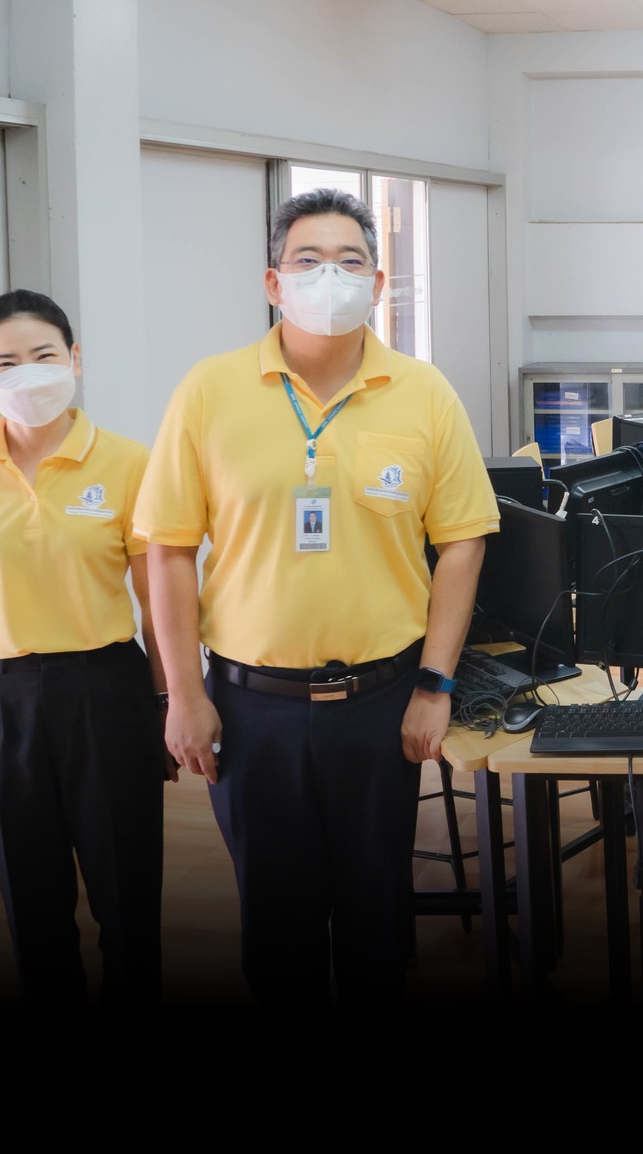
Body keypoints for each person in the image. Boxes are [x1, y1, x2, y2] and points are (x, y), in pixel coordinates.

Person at [134, 187, 497, 1006]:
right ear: (272, 281)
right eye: (307, 260)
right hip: (250, 704)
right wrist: (182, 693)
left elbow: (463, 543)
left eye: (349, 261)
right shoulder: (209, 390)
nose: (328, 276)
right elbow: (169, 551)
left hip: (381, 700)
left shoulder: (423, 392)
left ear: (376, 284)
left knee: (376, 925)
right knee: (276, 930)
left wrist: (435, 686)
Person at [0, 290, 169, 1007]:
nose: (28, 374)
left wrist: (171, 699)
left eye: (44, 356)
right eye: (7, 362)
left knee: (128, 902)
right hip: (2, 698)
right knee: (33, 907)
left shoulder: (128, 462)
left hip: (107, 688)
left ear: (75, 361)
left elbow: (159, 601)